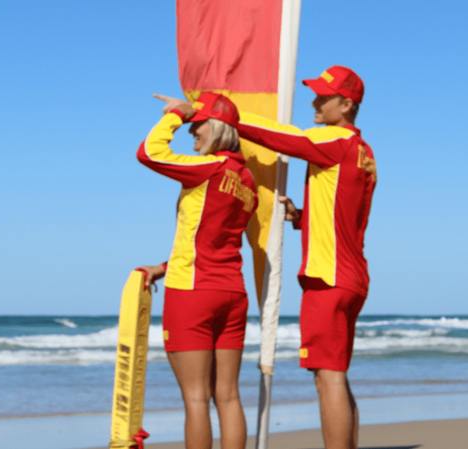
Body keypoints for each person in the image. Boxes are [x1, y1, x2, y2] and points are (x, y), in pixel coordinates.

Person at [171, 66, 376, 449]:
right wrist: (301, 218)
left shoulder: (336, 141)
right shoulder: (365, 153)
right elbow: (349, 213)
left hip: (327, 278)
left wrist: (219, 113)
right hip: (353, 275)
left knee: (327, 376)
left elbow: (282, 138)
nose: (314, 102)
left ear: (346, 105)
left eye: (323, 97)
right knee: (338, 374)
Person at [138, 92, 258, 449]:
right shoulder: (247, 181)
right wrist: (164, 267)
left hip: (192, 293)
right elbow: (213, 236)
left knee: (195, 398)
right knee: (229, 397)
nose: (192, 135)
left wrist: (175, 115)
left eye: (197, 126)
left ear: (218, 128)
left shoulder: (210, 168)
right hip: (232, 293)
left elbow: (148, 153)